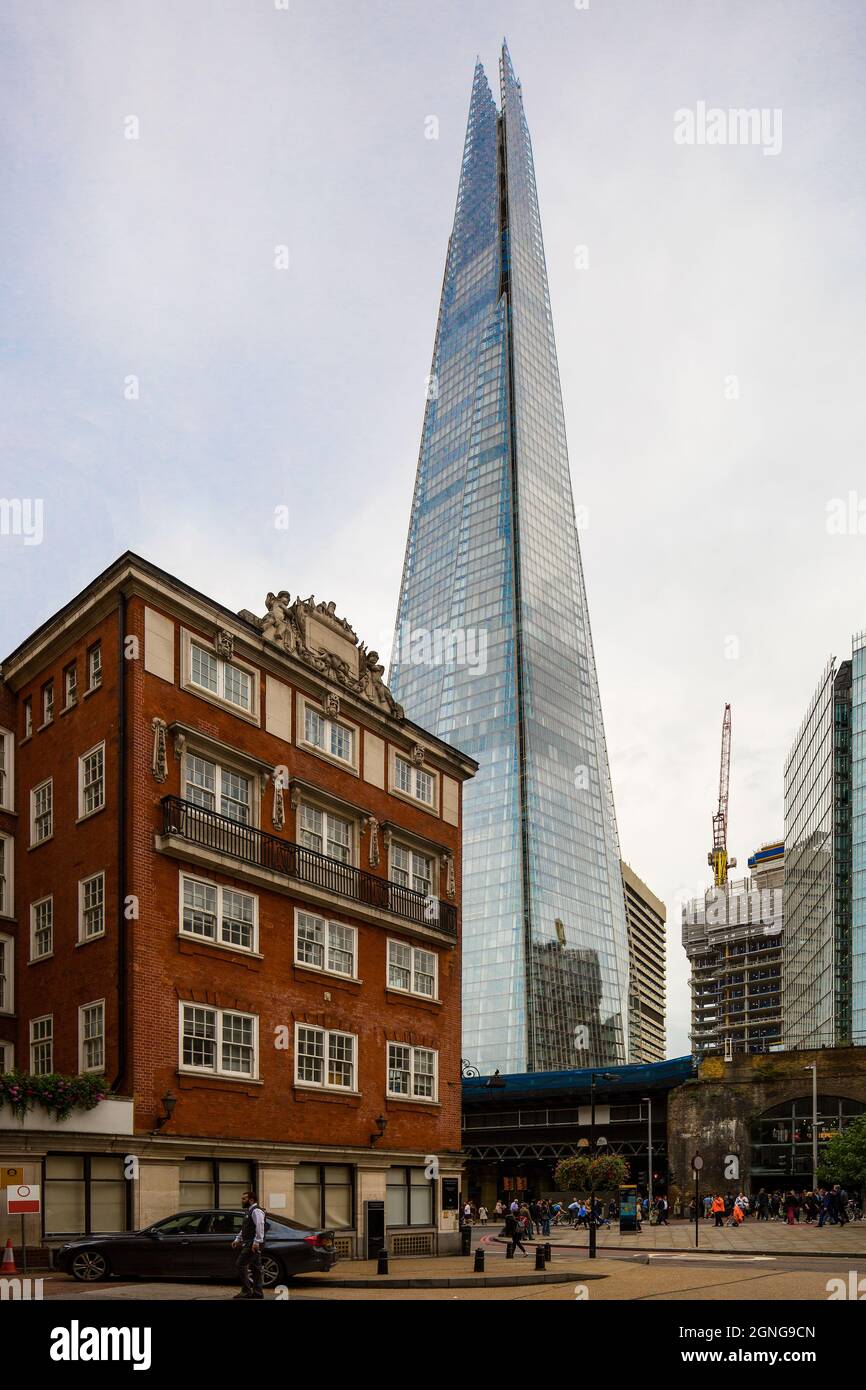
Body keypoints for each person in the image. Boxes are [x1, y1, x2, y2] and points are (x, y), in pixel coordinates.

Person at [231, 1190, 266, 1300]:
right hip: (250, 1242)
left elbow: (260, 1226)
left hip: (252, 1243)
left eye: (244, 1199)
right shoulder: (249, 1211)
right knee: (256, 1268)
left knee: (240, 1264)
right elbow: (245, 1228)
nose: (242, 1200)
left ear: (251, 1200)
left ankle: (246, 1291)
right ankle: (257, 1293)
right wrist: (237, 1239)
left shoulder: (256, 1211)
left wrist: (256, 1242)